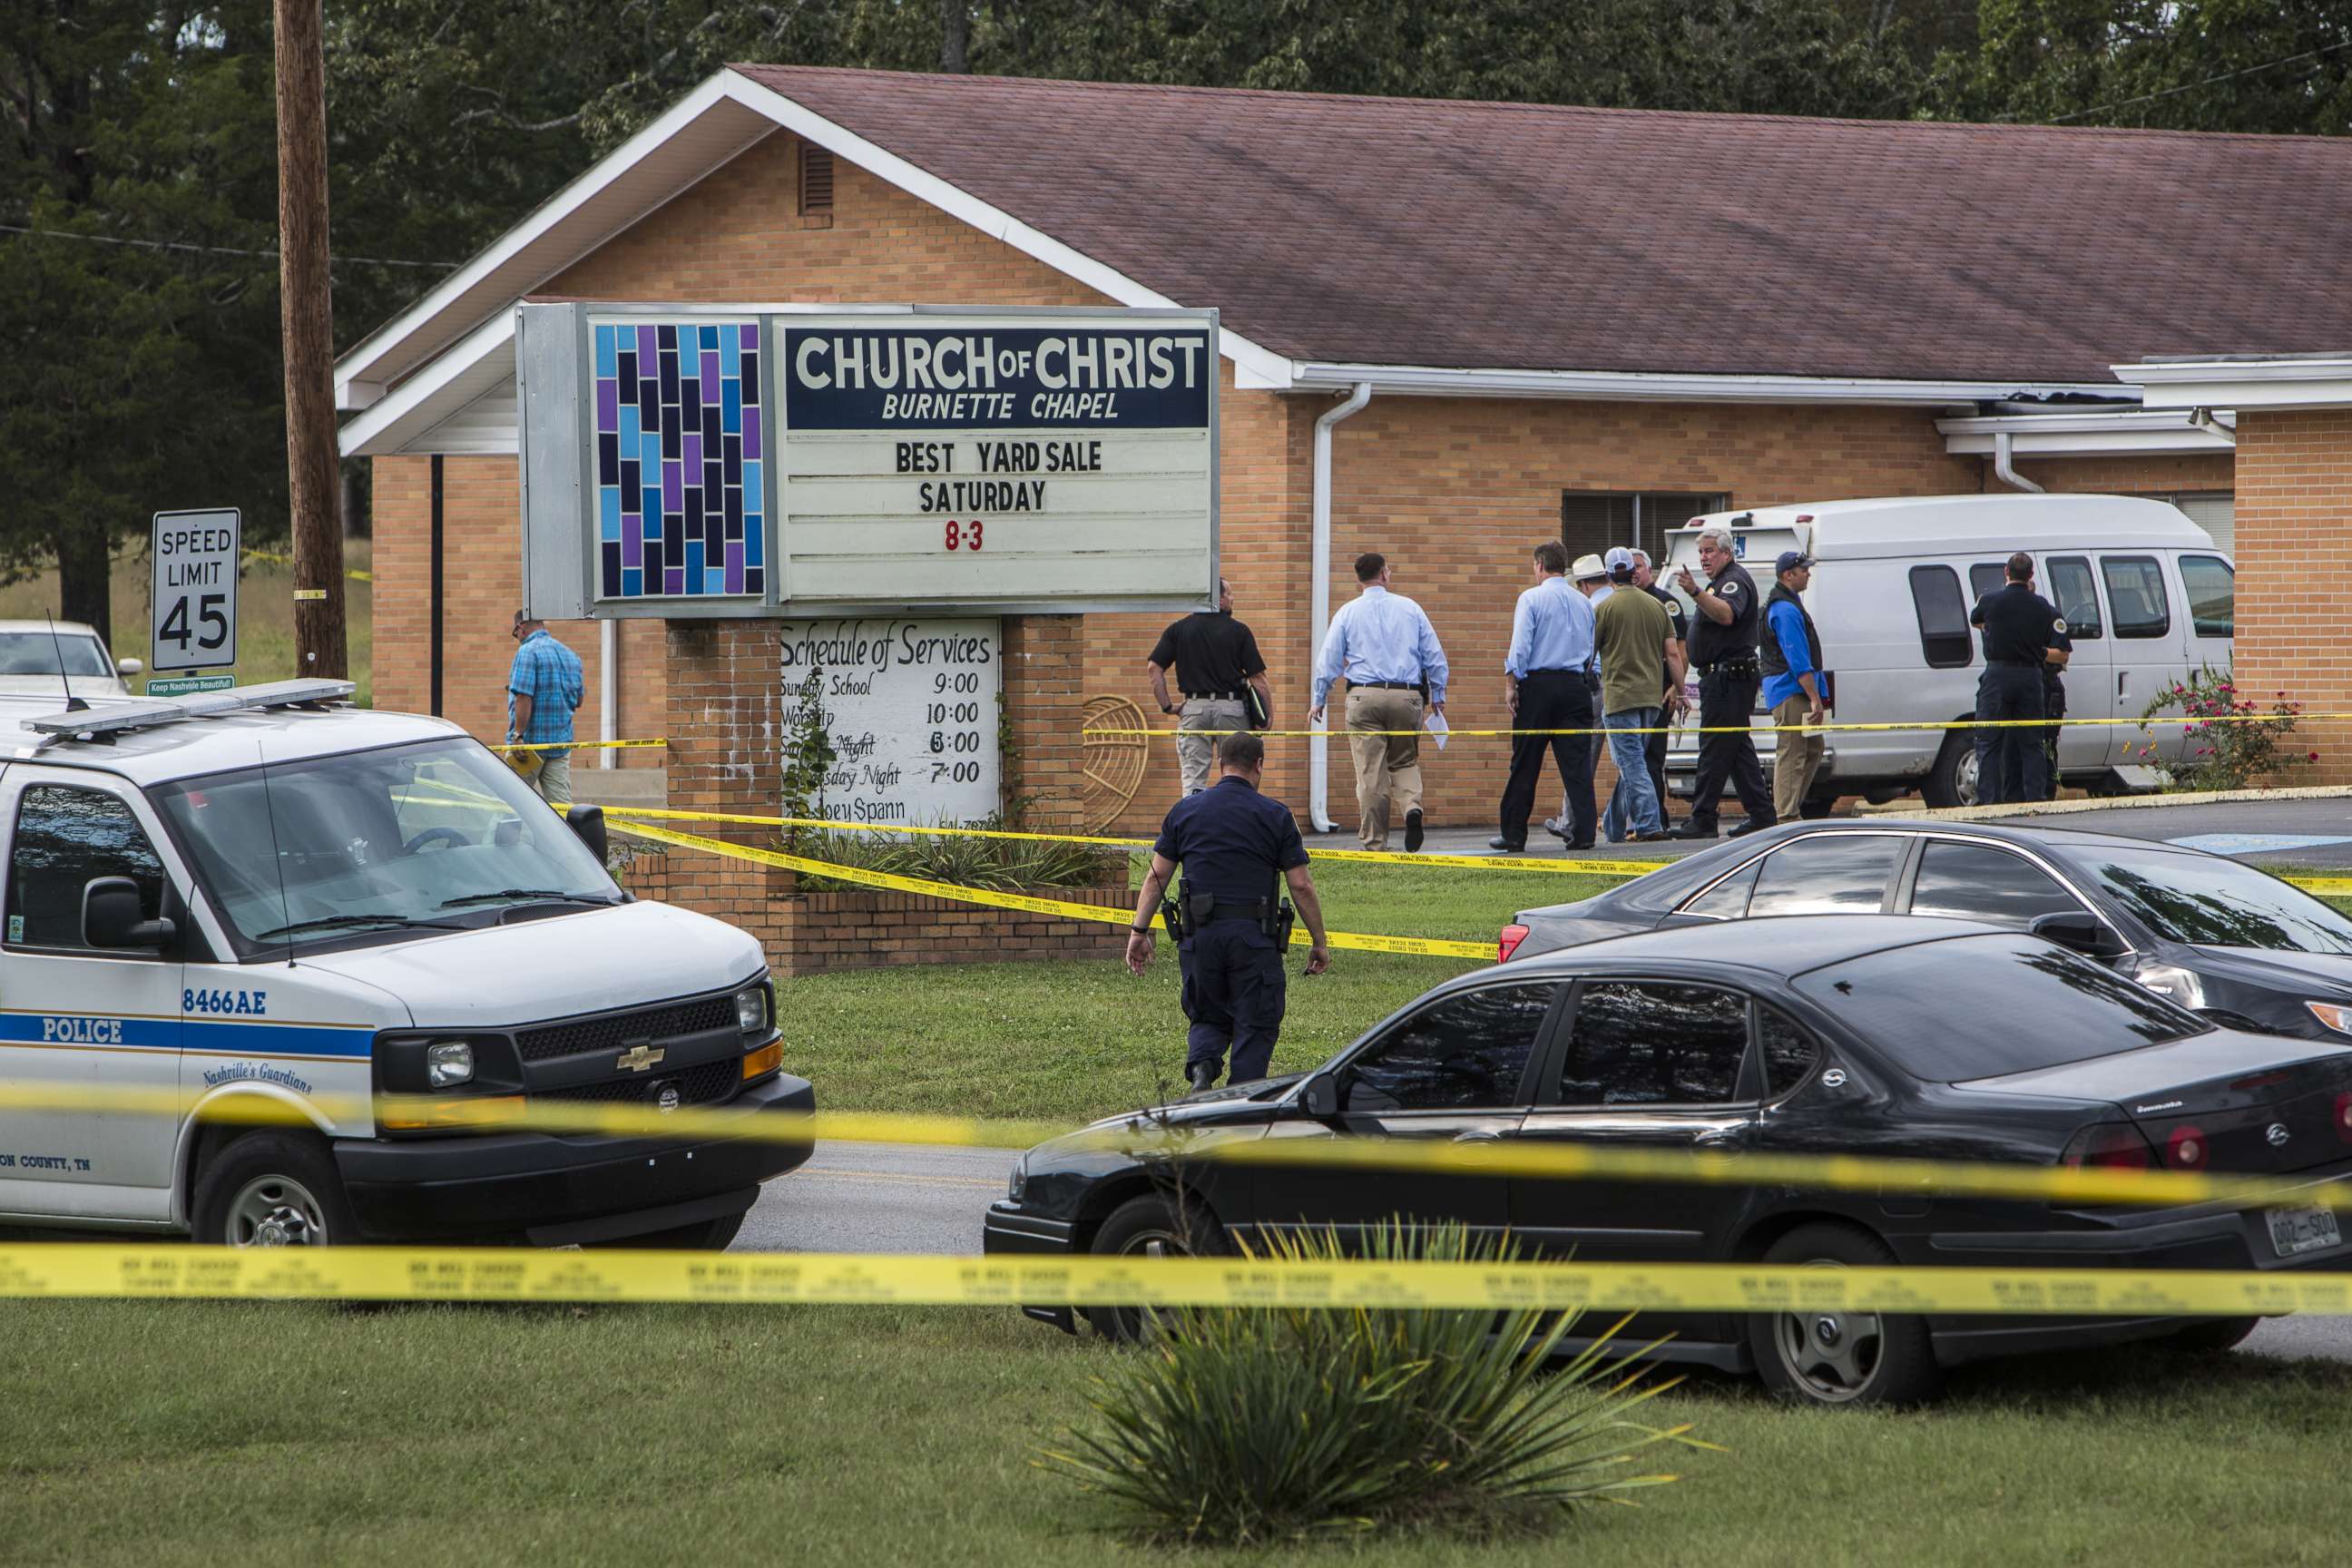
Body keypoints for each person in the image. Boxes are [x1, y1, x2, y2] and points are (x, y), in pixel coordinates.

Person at [1126, 730, 1331, 1091]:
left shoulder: (1185, 811)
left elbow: (1157, 875)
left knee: (1207, 1014)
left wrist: (1138, 932)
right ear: (1259, 765)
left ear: (1220, 763)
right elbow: (1300, 885)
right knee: (1256, 1023)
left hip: (1200, 938)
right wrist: (1319, 940)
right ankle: (1240, 1099)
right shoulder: (1276, 815)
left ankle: (1203, 1072)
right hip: (1253, 939)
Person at [1310, 553, 1450, 853]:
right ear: (1385, 574)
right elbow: (1435, 657)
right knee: (1405, 761)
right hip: (1406, 695)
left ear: (1358, 579)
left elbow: (1328, 661)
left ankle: (1375, 843)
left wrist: (1318, 699)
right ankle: (1412, 806)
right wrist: (1438, 695)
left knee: (1371, 772)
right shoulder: (1410, 608)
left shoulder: (1348, 612)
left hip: (1363, 696)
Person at [1669, 527, 1776, 839]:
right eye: (1700, 551)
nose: (1703, 557)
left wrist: (1695, 593)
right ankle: (1762, 814)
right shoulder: (1717, 583)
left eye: (1710, 550)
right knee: (1737, 750)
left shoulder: (1733, 580)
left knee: (1714, 749)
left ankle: (1703, 819)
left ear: (1727, 553)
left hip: (1730, 678)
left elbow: (1728, 615)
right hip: (1721, 679)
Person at [1492, 541, 1598, 852]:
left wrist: (1511, 684)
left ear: (1539, 565)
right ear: (1563, 566)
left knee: (1525, 763)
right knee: (1577, 765)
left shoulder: (1531, 598)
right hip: (1576, 686)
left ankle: (1513, 834)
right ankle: (1584, 833)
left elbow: (1520, 647)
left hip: (1539, 686)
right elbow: (1593, 651)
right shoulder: (1584, 603)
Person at [1146, 576, 1273, 798]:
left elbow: (1153, 668)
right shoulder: (1239, 631)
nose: (1232, 599)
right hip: (1232, 710)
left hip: (1194, 709)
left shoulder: (1178, 630)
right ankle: (1238, 826)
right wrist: (1267, 717)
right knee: (1240, 775)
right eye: (1229, 594)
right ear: (1217, 599)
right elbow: (1258, 678)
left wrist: (1168, 706)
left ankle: (1193, 828)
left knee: (1193, 778)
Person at [1592, 547, 1679, 843]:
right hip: (1651, 700)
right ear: (1633, 572)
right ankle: (1614, 827)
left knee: (1632, 765)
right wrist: (1680, 691)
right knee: (1634, 764)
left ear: (1607, 576)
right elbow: (1673, 654)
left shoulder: (1603, 609)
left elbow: (1588, 653)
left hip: (1620, 699)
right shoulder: (1657, 606)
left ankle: (1649, 824)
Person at [1968, 553, 2066, 805]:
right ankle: (2034, 800)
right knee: (2032, 742)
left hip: (1998, 675)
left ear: (2006, 572)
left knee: (1989, 741)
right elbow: (2055, 642)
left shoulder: (1991, 602)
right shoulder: (2043, 607)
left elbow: (1975, 619)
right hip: (2030, 676)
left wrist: (1997, 629)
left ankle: (1988, 803)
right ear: (2031, 575)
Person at [1760, 551, 1828, 823]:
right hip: (1792, 692)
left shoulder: (1789, 604)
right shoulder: (1786, 610)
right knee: (1792, 752)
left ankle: (1790, 807)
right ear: (1789, 574)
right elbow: (1798, 658)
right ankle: (1786, 816)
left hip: (1796, 690)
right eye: (1803, 570)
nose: (1808, 573)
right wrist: (1815, 697)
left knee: (1813, 748)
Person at [506, 610, 586, 808]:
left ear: (520, 627)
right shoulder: (570, 655)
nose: (517, 638)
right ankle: (566, 840)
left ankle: (500, 840)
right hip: (560, 744)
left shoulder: (528, 651)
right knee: (562, 808)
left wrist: (518, 736)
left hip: (529, 747)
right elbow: (579, 700)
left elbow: (524, 696)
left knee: (510, 805)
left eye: (515, 634)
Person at [1632, 548, 1689, 818]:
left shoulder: (1666, 603)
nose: (1634, 572)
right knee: (1632, 761)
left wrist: (1676, 688)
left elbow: (1680, 651)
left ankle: (1656, 819)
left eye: (1639, 566)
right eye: (1629, 567)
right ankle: (1636, 818)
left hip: (1659, 693)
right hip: (1631, 693)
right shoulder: (1621, 602)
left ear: (1650, 570)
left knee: (1653, 759)